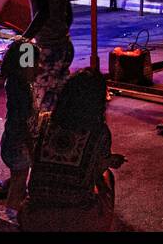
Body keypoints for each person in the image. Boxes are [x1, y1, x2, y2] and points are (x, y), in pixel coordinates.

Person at [20, 67, 125, 231]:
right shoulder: (99, 132)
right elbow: (97, 170)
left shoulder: (43, 121)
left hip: (34, 216)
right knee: (107, 176)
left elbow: (33, 154)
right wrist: (108, 161)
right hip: (77, 220)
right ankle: (100, 223)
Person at [21, 0, 73, 121]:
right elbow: (69, 13)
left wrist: (24, 38)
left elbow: (42, 13)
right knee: (59, 95)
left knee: (43, 101)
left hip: (47, 47)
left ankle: (42, 142)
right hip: (64, 44)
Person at [0, 37, 38, 213]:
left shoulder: (15, 82)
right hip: (19, 145)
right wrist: (32, 148)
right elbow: (23, 123)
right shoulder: (22, 88)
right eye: (34, 62)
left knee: (18, 180)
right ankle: (10, 219)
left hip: (11, 141)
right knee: (18, 187)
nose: (37, 67)